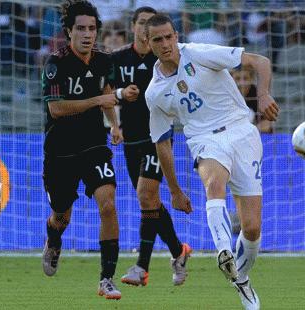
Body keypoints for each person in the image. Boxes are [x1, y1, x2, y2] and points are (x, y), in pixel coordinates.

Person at [144, 14, 279, 310]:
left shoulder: (199, 53)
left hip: (242, 131)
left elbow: (259, 61)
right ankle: (223, 253)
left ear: (175, 34)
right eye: (158, 39)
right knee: (213, 183)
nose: (166, 44)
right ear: (148, 43)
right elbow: (161, 143)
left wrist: (265, 94)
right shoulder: (154, 92)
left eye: (169, 37)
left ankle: (241, 279)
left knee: (252, 228)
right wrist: (175, 190)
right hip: (205, 139)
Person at [41, 0, 136, 300]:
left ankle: (106, 279)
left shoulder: (102, 61)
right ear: (69, 31)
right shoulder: (55, 63)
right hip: (60, 151)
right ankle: (54, 239)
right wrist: (98, 103)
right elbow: (56, 109)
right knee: (61, 216)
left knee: (108, 204)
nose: (87, 34)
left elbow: (106, 91)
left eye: (92, 28)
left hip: (95, 144)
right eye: (81, 28)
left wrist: (115, 124)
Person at [111, 6, 191, 287]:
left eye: (150, 24)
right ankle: (178, 251)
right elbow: (104, 92)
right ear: (133, 26)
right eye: (142, 23)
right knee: (151, 201)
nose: (146, 29)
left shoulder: (166, 61)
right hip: (131, 142)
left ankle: (141, 267)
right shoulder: (118, 59)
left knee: (146, 195)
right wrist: (115, 120)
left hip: (159, 138)